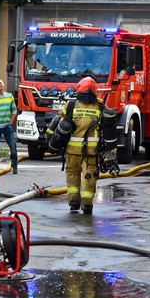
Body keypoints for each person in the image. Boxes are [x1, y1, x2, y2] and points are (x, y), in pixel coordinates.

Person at [47, 77, 104, 215]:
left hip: (72, 150)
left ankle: (73, 201)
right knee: (89, 176)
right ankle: (87, 205)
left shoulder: (71, 105)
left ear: (79, 89)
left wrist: (49, 135)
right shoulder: (100, 107)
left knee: (72, 174)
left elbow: (56, 121)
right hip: (91, 151)